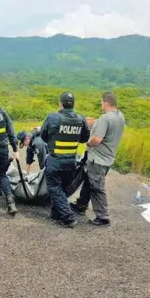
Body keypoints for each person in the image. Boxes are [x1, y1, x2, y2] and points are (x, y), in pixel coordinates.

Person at [71, 92, 125, 226]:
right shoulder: (120, 117)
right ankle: (81, 205)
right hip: (108, 157)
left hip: (98, 159)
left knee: (96, 186)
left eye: (101, 103)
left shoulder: (105, 118)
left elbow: (97, 139)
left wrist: (88, 143)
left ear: (105, 103)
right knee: (90, 181)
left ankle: (103, 216)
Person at [40, 92, 90, 227]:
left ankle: (68, 217)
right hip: (71, 162)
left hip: (55, 160)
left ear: (61, 104)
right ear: (73, 104)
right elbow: (85, 139)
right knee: (62, 188)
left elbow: (43, 135)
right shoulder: (81, 119)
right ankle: (56, 213)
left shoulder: (53, 117)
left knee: (54, 188)